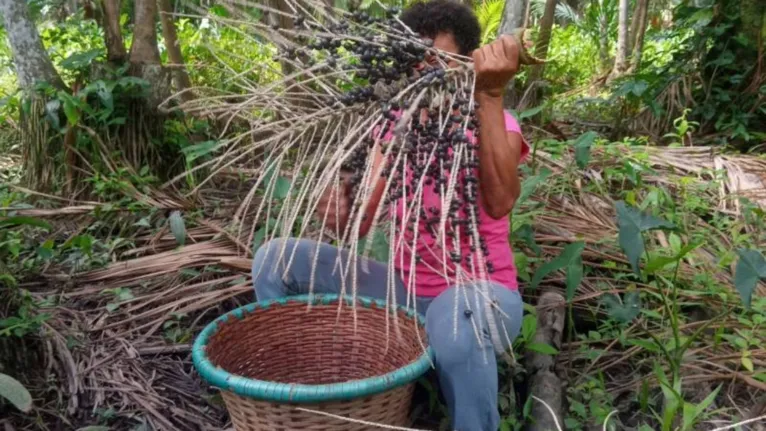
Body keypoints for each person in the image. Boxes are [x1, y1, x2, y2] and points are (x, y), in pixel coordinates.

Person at [252, 1, 530, 429]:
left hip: (480, 294)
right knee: (275, 260)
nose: (424, 71)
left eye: (437, 60)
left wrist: (490, 96)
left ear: (464, 63)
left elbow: (500, 200)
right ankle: (308, 383)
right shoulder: (396, 125)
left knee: (456, 321)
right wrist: (338, 209)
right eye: (414, 60)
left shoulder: (497, 121)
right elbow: (359, 220)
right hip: (404, 292)